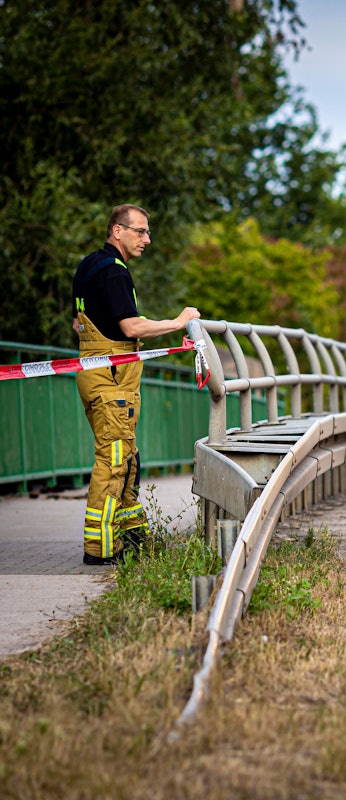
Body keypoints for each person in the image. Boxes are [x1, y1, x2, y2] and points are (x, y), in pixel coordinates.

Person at [71, 204, 200, 565]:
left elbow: (78, 325)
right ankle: (98, 549)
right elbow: (131, 328)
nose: (147, 239)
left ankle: (133, 535)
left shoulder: (87, 265)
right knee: (113, 460)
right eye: (140, 231)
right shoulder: (114, 272)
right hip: (112, 380)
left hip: (94, 372)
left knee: (126, 457)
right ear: (117, 231)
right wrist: (178, 321)